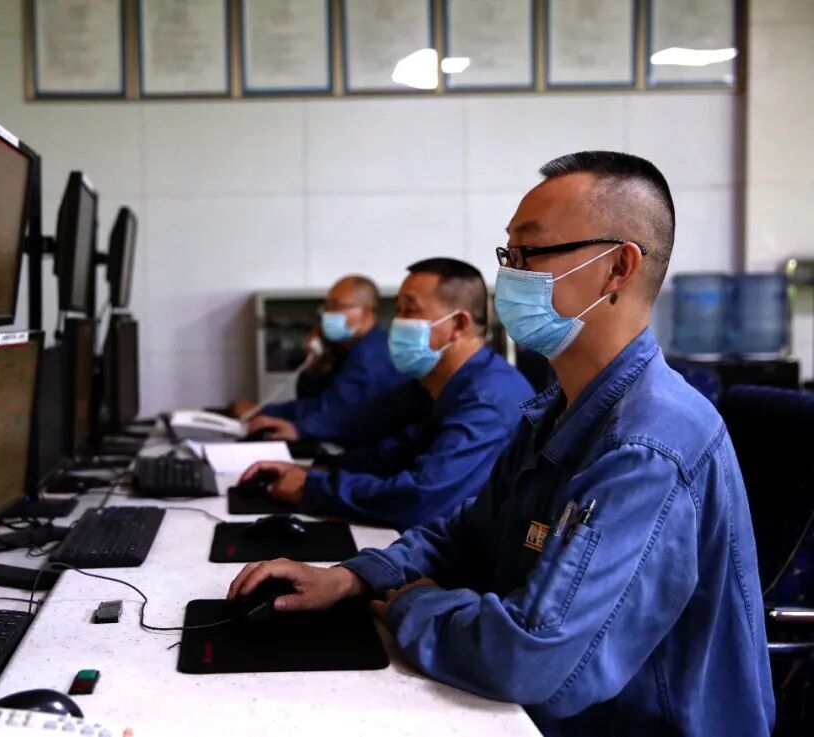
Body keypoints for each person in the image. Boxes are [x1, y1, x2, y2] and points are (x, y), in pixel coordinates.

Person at [227, 151, 774, 736]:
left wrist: (414, 604)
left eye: (529, 253)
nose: (508, 278)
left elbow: (533, 656)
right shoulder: (560, 410)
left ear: (618, 267)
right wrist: (352, 578)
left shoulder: (646, 446)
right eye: (507, 255)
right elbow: (469, 533)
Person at [238, 258, 534, 531]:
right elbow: (395, 454)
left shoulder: (487, 400)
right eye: (399, 311)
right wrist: (318, 471)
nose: (397, 324)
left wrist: (312, 487)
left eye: (410, 311)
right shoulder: (435, 384)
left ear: (458, 325)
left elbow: (420, 498)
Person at [238, 275, 403, 446]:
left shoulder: (372, 354)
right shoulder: (348, 348)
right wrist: (317, 363)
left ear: (365, 313)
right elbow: (312, 397)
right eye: (327, 307)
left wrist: (264, 411)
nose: (327, 314)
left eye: (336, 306)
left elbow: (332, 409)